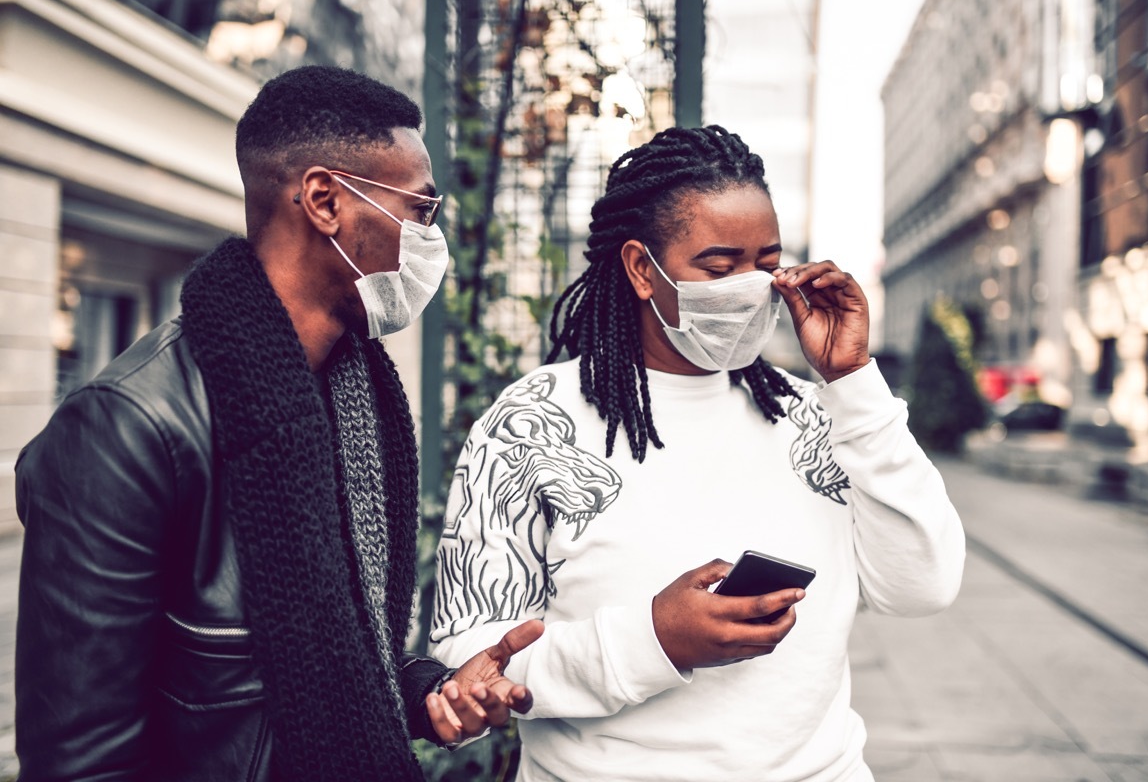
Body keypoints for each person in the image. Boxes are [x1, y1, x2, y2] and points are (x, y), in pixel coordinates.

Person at [15, 65, 542, 781]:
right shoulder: (126, 428)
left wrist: (426, 693)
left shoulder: (356, 401)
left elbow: (341, 664)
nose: (430, 238)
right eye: (420, 211)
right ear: (326, 200)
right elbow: (82, 759)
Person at [428, 125, 965, 781]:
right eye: (718, 267)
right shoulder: (533, 425)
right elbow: (471, 654)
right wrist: (653, 641)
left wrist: (853, 382)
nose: (751, 286)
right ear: (639, 269)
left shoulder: (819, 416)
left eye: (768, 264)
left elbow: (922, 585)